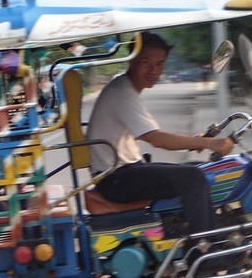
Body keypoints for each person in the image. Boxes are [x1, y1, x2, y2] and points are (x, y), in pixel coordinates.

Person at [86, 32, 234, 237]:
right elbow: (156, 138)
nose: (153, 70)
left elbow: (155, 135)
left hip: (122, 173)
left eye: (159, 63)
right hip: (116, 180)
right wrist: (211, 143)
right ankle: (204, 250)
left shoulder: (124, 88)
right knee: (193, 178)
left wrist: (197, 141)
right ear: (132, 61)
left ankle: (199, 234)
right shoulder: (123, 93)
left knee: (203, 170)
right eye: (146, 62)